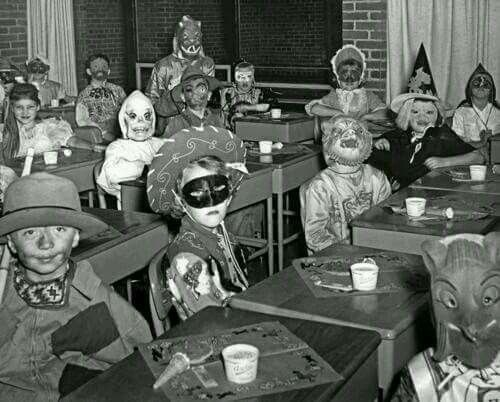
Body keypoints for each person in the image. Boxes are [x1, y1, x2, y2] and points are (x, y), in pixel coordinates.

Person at [0, 172, 152, 401]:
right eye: (30, 232)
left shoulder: (95, 302)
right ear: (11, 242)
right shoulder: (4, 291)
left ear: (76, 237)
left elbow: (140, 362)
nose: (46, 243)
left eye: (59, 230)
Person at [147, 125, 249, 317]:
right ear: (181, 201)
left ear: (229, 196)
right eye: (197, 192)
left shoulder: (225, 237)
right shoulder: (186, 258)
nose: (212, 202)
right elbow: (210, 318)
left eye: (219, 190)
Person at [392, 232, 500, 402]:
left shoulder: (422, 375)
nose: (471, 325)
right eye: (451, 302)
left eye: (487, 299)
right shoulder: (423, 378)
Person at [300, 116, 391, 253]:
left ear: (366, 141)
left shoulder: (377, 177)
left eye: (357, 130)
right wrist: (347, 248)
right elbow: (315, 236)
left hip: (374, 250)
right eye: (339, 131)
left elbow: (386, 219)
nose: (351, 133)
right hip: (334, 256)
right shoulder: (320, 186)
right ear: (328, 142)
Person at [368, 93, 475, 189]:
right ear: (406, 115)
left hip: (433, 194)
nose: (422, 117)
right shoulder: (401, 134)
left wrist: (444, 162)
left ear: (438, 115)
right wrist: (376, 142)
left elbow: (478, 156)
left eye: (429, 112)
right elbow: (368, 150)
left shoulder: (442, 135)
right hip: (402, 194)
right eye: (415, 112)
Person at [0, 83, 104, 163]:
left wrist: (93, 146)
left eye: (30, 107)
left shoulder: (48, 127)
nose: (25, 112)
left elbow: (72, 141)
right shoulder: (8, 132)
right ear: (12, 109)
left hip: (49, 175)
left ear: (38, 107)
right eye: (19, 107)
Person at [146, 15, 215, 135]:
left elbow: (208, 96)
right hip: (169, 126)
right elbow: (151, 100)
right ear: (177, 40)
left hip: (198, 125)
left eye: (197, 38)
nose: (192, 42)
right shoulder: (163, 66)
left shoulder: (207, 64)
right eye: (186, 38)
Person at [97, 90, 166, 200]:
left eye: (147, 116)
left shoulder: (160, 144)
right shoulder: (117, 148)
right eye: (133, 116)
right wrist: (145, 167)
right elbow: (110, 174)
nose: (140, 121)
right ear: (124, 122)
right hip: (133, 207)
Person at [305, 45, 387, 122]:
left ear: (360, 78)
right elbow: (314, 108)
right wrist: (338, 113)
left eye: (354, 76)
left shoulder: (367, 96)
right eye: (344, 76)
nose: (349, 81)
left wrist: (366, 117)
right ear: (338, 79)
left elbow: (384, 112)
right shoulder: (335, 95)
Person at [452, 63, 500, 162]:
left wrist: (492, 139)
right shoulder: (461, 112)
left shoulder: (498, 113)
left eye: (486, 84)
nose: (481, 87)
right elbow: (456, 143)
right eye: (476, 83)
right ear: (469, 89)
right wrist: (481, 143)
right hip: (468, 156)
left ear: (491, 90)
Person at [75, 54, 127, 142]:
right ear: (89, 71)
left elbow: (128, 109)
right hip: (100, 134)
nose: (100, 69)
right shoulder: (84, 95)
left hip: (121, 130)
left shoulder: (117, 90)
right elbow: (82, 120)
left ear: (109, 71)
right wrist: (102, 132)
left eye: (104, 66)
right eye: (95, 66)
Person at [161, 65, 223, 138]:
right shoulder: (176, 124)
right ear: (183, 97)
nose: (195, 93)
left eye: (201, 89)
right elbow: (166, 148)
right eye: (189, 90)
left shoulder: (216, 121)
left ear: (209, 95)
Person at [220, 60, 268, 129]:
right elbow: (223, 120)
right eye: (240, 76)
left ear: (253, 78)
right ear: (235, 79)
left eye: (248, 76)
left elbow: (267, 115)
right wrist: (222, 98)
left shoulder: (259, 94)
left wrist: (254, 106)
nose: (244, 81)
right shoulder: (227, 94)